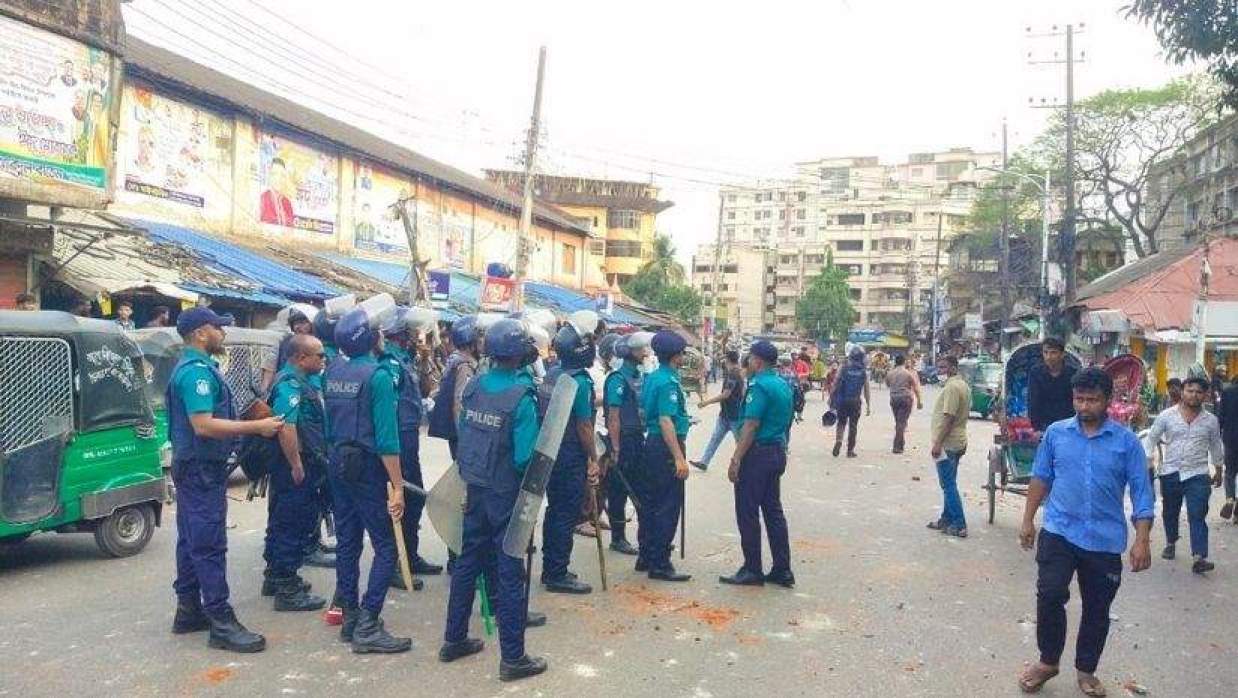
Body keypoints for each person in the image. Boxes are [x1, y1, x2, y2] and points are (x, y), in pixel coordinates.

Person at [1017, 368, 1154, 696]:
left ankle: (1086, 670)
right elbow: (1040, 477)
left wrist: (1142, 540)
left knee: (1097, 608)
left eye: (1092, 400)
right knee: (1050, 594)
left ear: (1107, 400)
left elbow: (1142, 493)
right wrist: (1027, 520)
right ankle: (1048, 661)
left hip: (1104, 540)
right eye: (1079, 399)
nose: (1084, 406)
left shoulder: (1127, 443)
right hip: (1059, 531)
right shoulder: (1056, 434)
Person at [167, 307, 283, 653]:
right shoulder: (196, 374)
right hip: (200, 468)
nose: (224, 333)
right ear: (201, 333)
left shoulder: (196, 368)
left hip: (196, 466)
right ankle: (220, 621)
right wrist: (257, 427)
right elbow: (203, 424)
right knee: (208, 544)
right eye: (219, 327)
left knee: (191, 540)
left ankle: (189, 610)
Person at [440, 319, 548, 682]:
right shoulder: (522, 396)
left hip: (475, 486)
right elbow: (524, 457)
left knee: (467, 561)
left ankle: (454, 639)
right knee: (509, 569)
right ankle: (513, 658)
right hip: (505, 493)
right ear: (520, 353)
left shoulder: (475, 385)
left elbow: (464, 431)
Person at [323, 303, 411, 654]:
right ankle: (369, 623)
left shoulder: (332, 371)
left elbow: (329, 425)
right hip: (367, 468)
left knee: (348, 542)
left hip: (337, 462)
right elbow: (388, 440)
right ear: (371, 338)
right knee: (386, 546)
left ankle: (349, 617)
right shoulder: (378, 377)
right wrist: (398, 487)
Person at [261, 333, 329, 612]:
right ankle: (287, 590)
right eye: (319, 355)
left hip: (293, 464)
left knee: (281, 520)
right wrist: (296, 464)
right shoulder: (290, 383)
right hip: (293, 466)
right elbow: (286, 427)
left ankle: (275, 577)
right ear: (301, 358)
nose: (324, 359)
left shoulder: (299, 380)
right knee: (292, 523)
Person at [720, 341, 794, 588]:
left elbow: (751, 425)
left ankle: (752, 569)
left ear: (758, 361)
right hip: (776, 451)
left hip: (758, 454)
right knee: (773, 512)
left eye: (750, 358)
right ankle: (782, 569)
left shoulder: (758, 386)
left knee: (747, 511)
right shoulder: (782, 384)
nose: (748, 362)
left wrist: (736, 458)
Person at [381, 308, 442, 584]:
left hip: (409, 434)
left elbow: (427, 389)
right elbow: (389, 403)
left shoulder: (406, 358)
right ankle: (395, 563)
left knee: (414, 497)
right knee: (401, 496)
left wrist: (426, 359)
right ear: (402, 334)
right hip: (398, 436)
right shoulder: (390, 362)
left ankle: (410, 555)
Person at [539, 322, 598, 594]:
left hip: (549, 451)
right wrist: (593, 458)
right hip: (570, 454)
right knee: (566, 513)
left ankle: (552, 566)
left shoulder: (552, 373)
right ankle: (557, 573)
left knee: (554, 510)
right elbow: (584, 426)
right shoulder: (580, 381)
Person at [1144, 376, 1223, 574]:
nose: (1194, 395)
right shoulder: (1166, 416)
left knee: (1198, 513)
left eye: (1198, 392)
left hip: (1198, 474)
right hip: (1170, 472)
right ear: (1182, 391)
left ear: (1205, 395)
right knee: (1170, 512)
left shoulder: (1211, 421)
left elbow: (1215, 445)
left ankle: (1199, 556)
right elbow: (1151, 438)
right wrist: (1148, 460)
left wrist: (1219, 469)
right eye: (1190, 390)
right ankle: (1171, 542)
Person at [637, 330, 692, 582]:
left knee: (650, 503)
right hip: (666, 446)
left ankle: (646, 555)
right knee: (668, 506)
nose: (683, 357)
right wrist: (679, 457)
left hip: (652, 444)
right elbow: (665, 420)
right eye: (682, 353)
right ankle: (660, 562)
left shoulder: (653, 377)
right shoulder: (668, 381)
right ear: (675, 356)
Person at [602, 332, 651, 556]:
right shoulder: (617, 379)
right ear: (629, 352)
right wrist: (615, 447)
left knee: (641, 489)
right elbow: (613, 416)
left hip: (638, 438)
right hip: (623, 440)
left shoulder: (639, 376)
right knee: (618, 491)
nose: (645, 352)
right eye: (640, 349)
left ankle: (646, 538)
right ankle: (618, 538)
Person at [926, 355, 969, 538]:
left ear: (953, 368)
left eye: (943, 368)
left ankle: (959, 524)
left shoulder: (952, 387)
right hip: (958, 440)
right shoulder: (963, 385)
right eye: (939, 368)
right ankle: (946, 519)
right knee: (950, 482)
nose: (940, 371)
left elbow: (949, 418)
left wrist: (937, 443)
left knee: (948, 485)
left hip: (948, 443)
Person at [427, 316, 481, 461]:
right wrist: (464, 436)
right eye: (479, 339)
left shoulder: (455, 360)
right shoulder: (464, 366)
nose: (482, 342)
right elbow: (459, 403)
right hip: (460, 432)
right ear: (471, 344)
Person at [690, 350, 744, 472]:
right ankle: (704, 462)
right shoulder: (736, 373)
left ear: (728, 360)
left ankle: (745, 465)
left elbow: (726, 394)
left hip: (733, 415)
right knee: (715, 439)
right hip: (727, 414)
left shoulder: (733, 375)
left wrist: (706, 402)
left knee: (740, 443)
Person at [1027, 337, 1077, 433]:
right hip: (1044, 426)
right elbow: (1033, 401)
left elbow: (1075, 400)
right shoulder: (1036, 373)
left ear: (1062, 354)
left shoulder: (1072, 374)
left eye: (1053, 353)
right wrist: (1036, 428)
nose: (1048, 357)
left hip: (1068, 424)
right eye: (1045, 352)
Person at [830, 347, 870, 458]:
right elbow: (866, 389)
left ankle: (839, 440)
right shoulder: (863, 372)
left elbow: (835, 383)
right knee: (853, 426)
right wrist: (868, 404)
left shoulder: (844, 368)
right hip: (855, 401)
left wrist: (831, 398)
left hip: (843, 400)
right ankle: (850, 450)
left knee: (841, 422)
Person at [885, 354, 922, 454]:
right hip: (905, 399)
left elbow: (887, 384)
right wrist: (919, 400)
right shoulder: (908, 373)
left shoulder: (890, 373)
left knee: (899, 421)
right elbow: (915, 387)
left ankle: (901, 444)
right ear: (904, 362)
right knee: (901, 423)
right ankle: (897, 446)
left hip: (894, 399)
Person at [1219, 374, 1238, 522]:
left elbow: (1221, 416)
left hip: (1231, 438)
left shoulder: (1227, 391)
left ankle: (1230, 499)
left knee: (1230, 472)